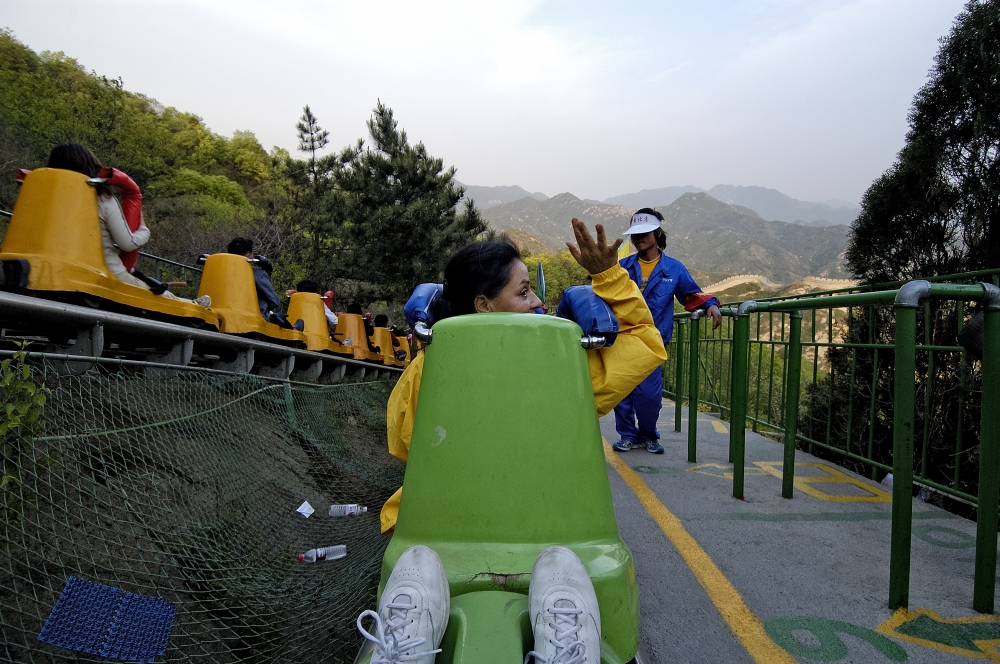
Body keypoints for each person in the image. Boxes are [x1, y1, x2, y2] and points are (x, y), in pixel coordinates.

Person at [358, 219, 665, 663]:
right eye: (523, 293)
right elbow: (646, 343)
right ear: (483, 304)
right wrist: (608, 276)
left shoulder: (425, 370)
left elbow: (405, 445)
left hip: (438, 532)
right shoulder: (567, 371)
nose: (538, 302)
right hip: (556, 532)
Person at [45, 144, 210, 308]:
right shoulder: (102, 200)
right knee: (157, 295)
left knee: (146, 282)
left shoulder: (47, 197)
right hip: (105, 274)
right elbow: (127, 243)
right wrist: (144, 229)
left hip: (54, 270)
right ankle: (193, 306)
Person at [612, 208, 721, 454]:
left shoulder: (673, 269)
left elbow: (691, 294)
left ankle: (649, 435)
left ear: (656, 233)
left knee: (649, 395)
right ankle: (628, 436)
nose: (639, 239)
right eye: (635, 234)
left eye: (644, 233)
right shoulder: (623, 267)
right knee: (623, 392)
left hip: (653, 342)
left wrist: (710, 305)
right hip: (624, 338)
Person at [227, 237, 280, 318]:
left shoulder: (222, 270)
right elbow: (275, 301)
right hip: (252, 318)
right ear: (248, 255)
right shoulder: (257, 273)